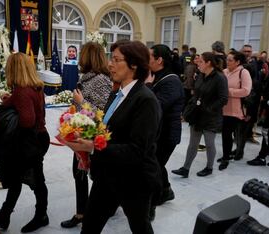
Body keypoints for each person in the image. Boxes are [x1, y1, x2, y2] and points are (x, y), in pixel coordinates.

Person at [60, 40, 162, 234]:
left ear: (133, 64)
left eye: (116, 60)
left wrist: (91, 147)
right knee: (89, 226)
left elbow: (137, 150)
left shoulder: (146, 100)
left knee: (140, 227)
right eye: (110, 58)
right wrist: (81, 130)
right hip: (107, 175)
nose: (110, 64)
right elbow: (107, 130)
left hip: (133, 180)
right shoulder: (117, 93)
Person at [0, 53, 51, 233]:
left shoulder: (22, 91)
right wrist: (10, 101)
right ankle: (5, 213)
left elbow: (27, 121)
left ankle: (41, 216)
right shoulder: (35, 87)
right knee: (17, 177)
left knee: (36, 180)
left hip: (29, 142)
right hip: (38, 138)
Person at [61, 42, 112, 229]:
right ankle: (81, 212)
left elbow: (103, 113)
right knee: (79, 173)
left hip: (95, 137)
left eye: (83, 53)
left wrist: (81, 102)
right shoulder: (88, 77)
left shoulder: (101, 80)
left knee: (95, 177)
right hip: (83, 134)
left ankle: (95, 211)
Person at [172, 52, 228, 178]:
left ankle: (209, 167)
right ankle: (185, 168)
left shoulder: (220, 77)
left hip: (211, 117)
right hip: (197, 115)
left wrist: (209, 109)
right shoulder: (201, 75)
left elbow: (223, 99)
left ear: (208, 63)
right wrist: (186, 112)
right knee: (193, 144)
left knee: (209, 143)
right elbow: (195, 95)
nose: (198, 63)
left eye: (201, 61)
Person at [146, 44, 185, 218]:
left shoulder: (172, 80)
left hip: (167, 134)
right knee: (157, 165)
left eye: (150, 57)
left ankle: (151, 207)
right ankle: (166, 190)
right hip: (159, 132)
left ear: (159, 60)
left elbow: (156, 106)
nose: (147, 61)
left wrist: (146, 85)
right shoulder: (159, 76)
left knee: (153, 168)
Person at [217, 51, 252, 170]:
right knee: (225, 134)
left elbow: (246, 91)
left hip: (236, 110)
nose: (227, 62)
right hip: (223, 108)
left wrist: (228, 91)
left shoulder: (243, 72)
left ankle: (227, 158)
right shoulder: (225, 71)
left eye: (230, 60)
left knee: (229, 134)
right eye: (227, 59)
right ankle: (226, 155)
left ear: (238, 62)